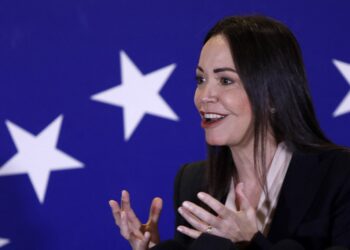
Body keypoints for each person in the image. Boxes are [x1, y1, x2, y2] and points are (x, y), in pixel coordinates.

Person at [109, 15, 350, 250]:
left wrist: (251, 240)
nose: (203, 97)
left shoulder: (339, 174)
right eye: (201, 79)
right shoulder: (193, 182)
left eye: (225, 80)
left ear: (273, 96)